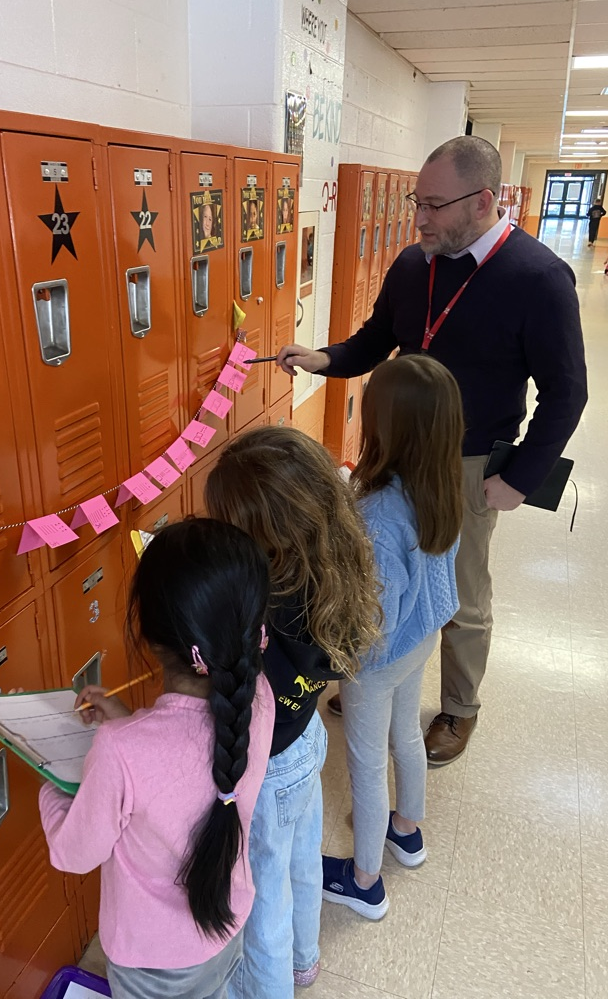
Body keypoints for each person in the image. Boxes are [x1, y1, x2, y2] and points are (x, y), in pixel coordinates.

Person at [276, 136, 588, 765]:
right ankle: (375, 674)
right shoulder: (414, 264)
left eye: (435, 205)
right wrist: (324, 359)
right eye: (418, 201)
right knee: (375, 567)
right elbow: (375, 340)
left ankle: (458, 708)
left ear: (485, 201)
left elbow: (567, 392)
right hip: (392, 450)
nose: (419, 217)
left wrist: (521, 478)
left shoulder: (539, 278)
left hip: (469, 462)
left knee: (461, 592)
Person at [38, 518, 275, 999]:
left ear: (149, 637)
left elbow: (73, 853)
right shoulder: (261, 699)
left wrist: (48, 781)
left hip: (150, 963)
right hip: (226, 927)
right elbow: (184, 769)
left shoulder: (121, 751)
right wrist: (125, 721)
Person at [204, 426, 379, 997]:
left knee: (263, 896)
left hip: (270, 765)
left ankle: (272, 985)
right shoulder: (327, 572)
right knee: (303, 862)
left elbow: (229, 681)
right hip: (306, 743)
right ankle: (305, 962)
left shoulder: (265, 607)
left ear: (266, 538)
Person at [322, 355, 463, 919]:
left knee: (364, 761)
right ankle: (407, 829)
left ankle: (365, 881)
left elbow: (370, 618)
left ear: (388, 425)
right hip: (421, 639)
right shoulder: (439, 482)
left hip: (379, 658)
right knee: (406, 733)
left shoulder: (381, 515)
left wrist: (340, 662)